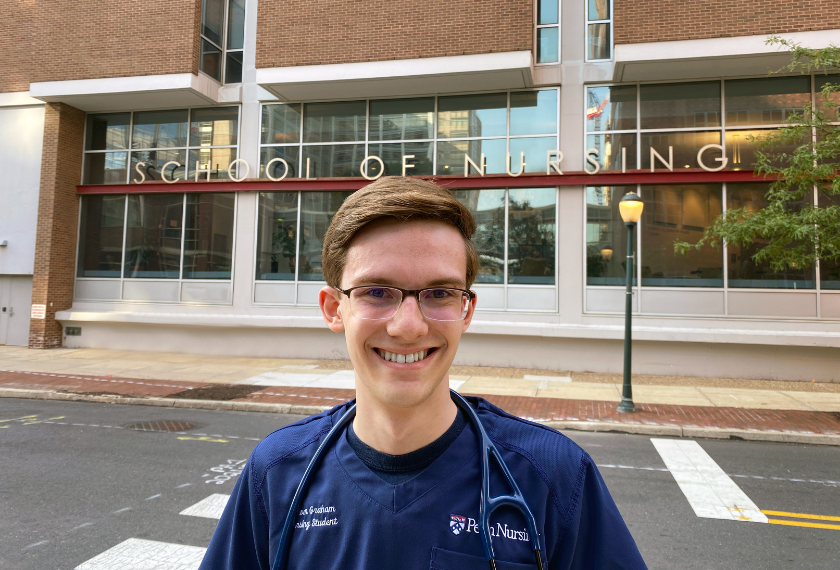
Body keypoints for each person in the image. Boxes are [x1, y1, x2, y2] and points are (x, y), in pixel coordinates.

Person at [199, 177, 647, 570]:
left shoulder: (554, 477)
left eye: (439, 292)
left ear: (466, 310)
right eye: (376, 291)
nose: (409, 326)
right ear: (335, 309)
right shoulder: (276, 472)